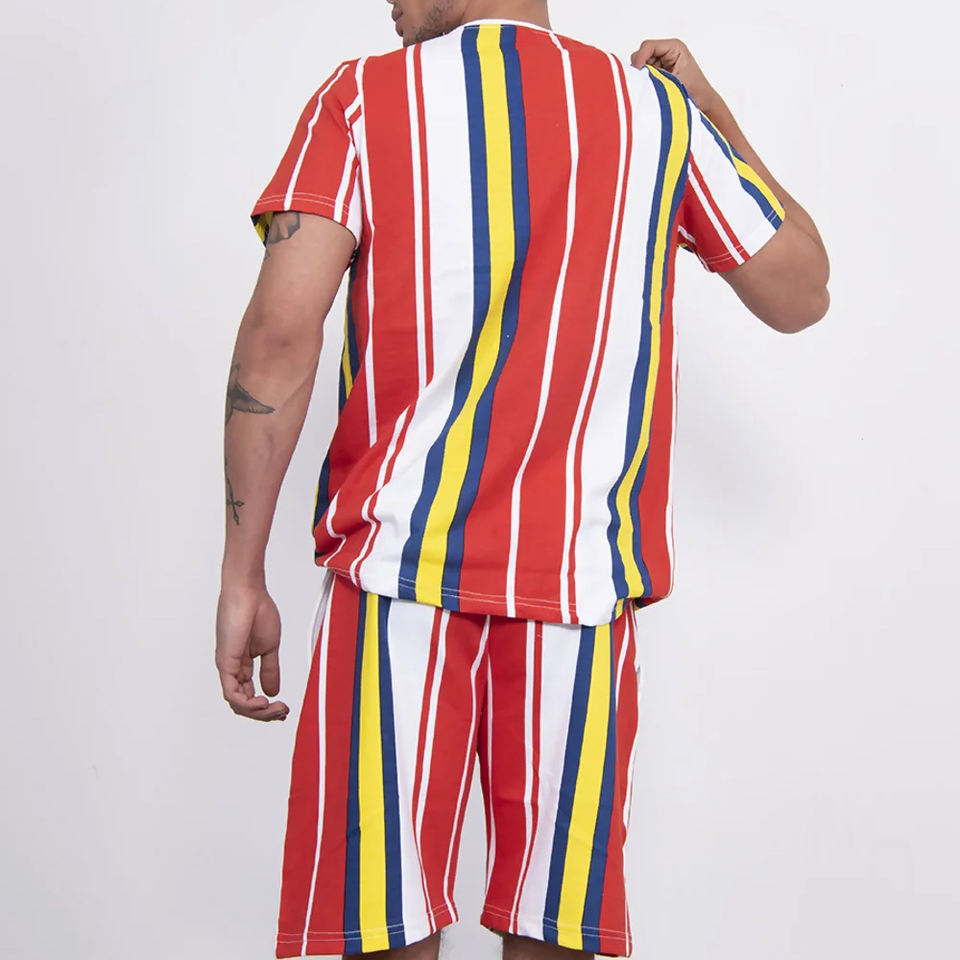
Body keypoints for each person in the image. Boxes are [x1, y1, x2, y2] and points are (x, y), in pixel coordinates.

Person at [215, 1, 830, 957]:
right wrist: (707, 112)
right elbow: (802, 291)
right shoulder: (655, 114)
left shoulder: (364, 99)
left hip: (396, 582)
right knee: (557, 930)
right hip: (579, 594)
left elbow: (281, 336)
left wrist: (242, 572)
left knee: (373, 924)